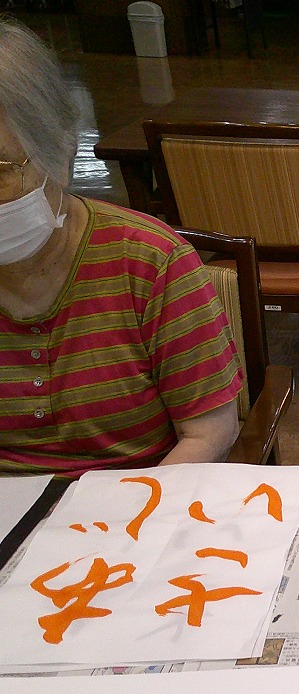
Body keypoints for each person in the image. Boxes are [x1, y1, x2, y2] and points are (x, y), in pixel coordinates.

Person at [0, 19, 242, 477]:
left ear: (62, 155)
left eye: (0, 171)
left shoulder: (151, 264)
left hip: (132, 502)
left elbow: (208, 433)